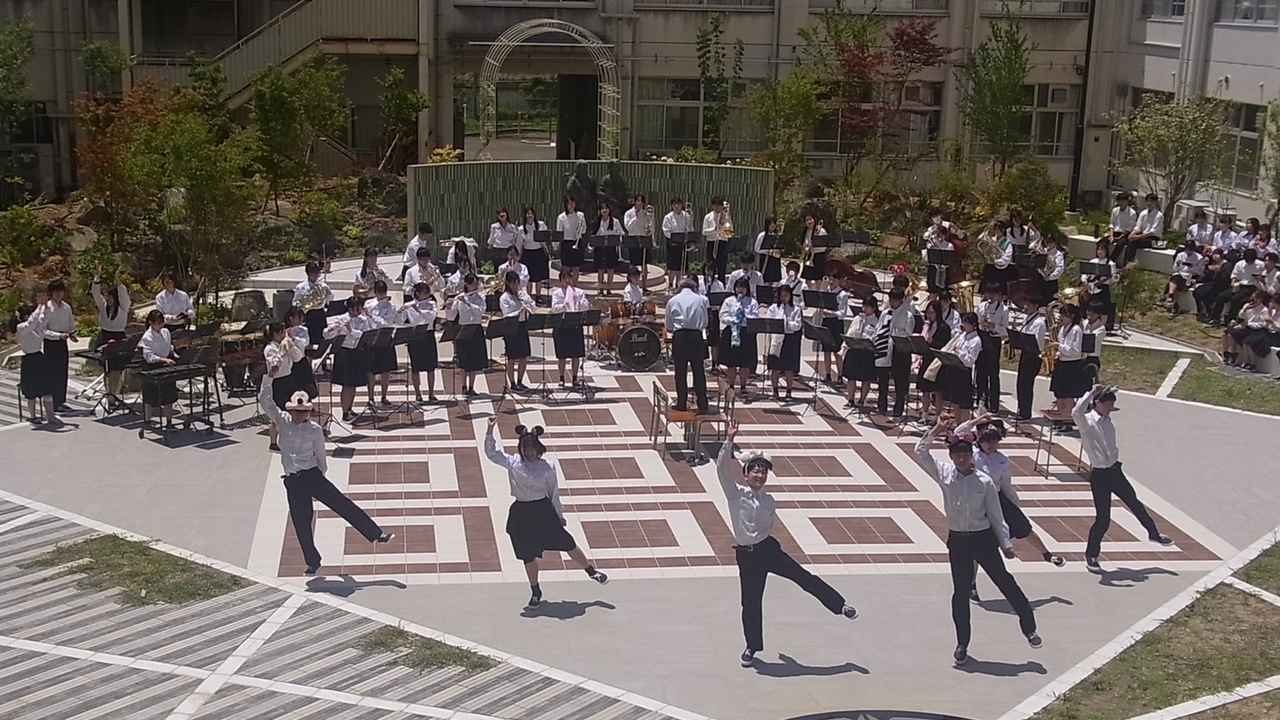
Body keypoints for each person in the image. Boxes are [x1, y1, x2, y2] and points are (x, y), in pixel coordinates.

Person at [719, 421, 858, 667]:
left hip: (767, 550)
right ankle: (752, 647)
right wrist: (729, 441)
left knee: (803, 577)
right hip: (747, 557)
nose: (760, 476)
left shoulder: (769, 500)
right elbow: (721, 470)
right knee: (750, 603)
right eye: (755, 471)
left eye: (763, 472)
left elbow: (767, 527)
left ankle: (840, 605)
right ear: (746, 474)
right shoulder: (735, 494)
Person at [915, 418, 1041, 665]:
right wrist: (937, 429)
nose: (961, 459)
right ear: (951, 456)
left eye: (965, 454)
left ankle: (1029, 627)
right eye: (957, 455)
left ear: (971, 456)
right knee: (960, 593)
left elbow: (996, 515)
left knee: (1005, 582)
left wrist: (1006, 544)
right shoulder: (945, 473)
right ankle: (962, 643)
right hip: (958, 541)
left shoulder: (984, 482)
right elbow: (921, 451)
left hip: (983, 539)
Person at [257, 379, 393, 576]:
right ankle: (313, 562)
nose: (300, 415)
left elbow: (321, 455)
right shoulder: (282, 420)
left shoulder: (314, 430)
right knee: (301, 522)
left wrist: (319, 477)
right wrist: (269, 378)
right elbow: (265, 400)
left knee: (342, 504)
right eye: (297, 411)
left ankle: (376, 533)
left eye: (303, 412)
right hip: (293, 480)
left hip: (312, 475)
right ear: (291, 410)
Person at [484, 419, 608, 607]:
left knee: (567, 543)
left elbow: (553, 492)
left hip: (543, 510)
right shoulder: (513, 462)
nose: (529, 452)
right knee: (527, 555)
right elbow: (492, 453)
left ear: (538, 448)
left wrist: (559, 515)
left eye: (532, 448)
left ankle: (591, 571)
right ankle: (535, 590)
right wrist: (489, 429)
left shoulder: (547, 466)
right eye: (525, 448)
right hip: (521, 513)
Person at [954, 415, 1066, 602]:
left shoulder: (1002, 460)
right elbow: (958, 432)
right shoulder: (971, 454)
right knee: (978, 545)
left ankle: (1047, 554)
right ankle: (971, 585)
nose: (991, 445)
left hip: (998, 498)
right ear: (980, 440)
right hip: (976, 501)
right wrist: (978, 420)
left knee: (1023, 526)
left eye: (994, 441)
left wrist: (1015, 504)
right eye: (987, 441)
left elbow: (1006, 484)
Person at [1073, 385, 1173, 571]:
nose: (1110, 409)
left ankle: (1154, 534)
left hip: (1115, 471)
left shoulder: (1107, 420)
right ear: (1098, 403)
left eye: (1112, 405)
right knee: (1103, 519)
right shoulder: (1086, 421)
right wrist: (1092, 391)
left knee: (1135, 503)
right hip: (1100, 476)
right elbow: (1076, 411)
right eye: (1108, 405)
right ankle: (1091, 555)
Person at [323, 297, 378, 422]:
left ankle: (349, 408)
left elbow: (364, 334)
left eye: (359, 308)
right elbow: (326, 335)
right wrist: (333, 329)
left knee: (353, 384)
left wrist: (350, 330)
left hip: (357, 352)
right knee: (347, 384)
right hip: (344, 353)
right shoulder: (340, 318)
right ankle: (345, 412)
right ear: (349, 308)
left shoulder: (363, 320)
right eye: (355, 309)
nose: (358, 311)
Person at [666, 278, 711, 414]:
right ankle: (702, 403)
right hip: (696, 336)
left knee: (680, 372)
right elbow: (705, 322)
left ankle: (681, 402)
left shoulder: (672, 300)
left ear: (679, 287)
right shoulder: (701, 300)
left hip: (680, 337)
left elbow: (669, 326)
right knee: (699, 370)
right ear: (694, 288)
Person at [90, 274, 131, 407]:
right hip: (105, 337)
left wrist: (118, 282)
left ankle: (114, 395)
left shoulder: (123, 307)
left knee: (116, 370)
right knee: (106, 369)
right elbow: (96, 294)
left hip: (118, 338)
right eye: (107, 297)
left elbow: (124, 295)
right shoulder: (103, 306)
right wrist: (97, 279)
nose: (107, 299)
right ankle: (109, 396)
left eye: (110, 297)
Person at [263, 321, 304, 451]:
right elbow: (274, 367)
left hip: (289, 379)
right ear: (276, 333)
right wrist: (281, 352)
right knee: (279, 414)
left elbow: (298, 358)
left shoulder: (285, 344)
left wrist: (291, 346)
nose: (284, 334)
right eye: (282, 332)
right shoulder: (270, 348)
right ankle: (275, 442)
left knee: (291, 410)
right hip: (277, 382)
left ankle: (288, 440)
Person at [14, 302, 57, 425]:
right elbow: (31, 323)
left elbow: (45, 330)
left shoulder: (36, 326)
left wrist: (61, 335)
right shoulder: (21, 327)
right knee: (31, 391)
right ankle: (33, 416)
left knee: (47, 389)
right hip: (29, 360)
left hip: (39, 358)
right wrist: (40, 307)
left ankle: (50, 416)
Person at [719, 276, 759, 402]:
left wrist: (743, 317)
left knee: (744, 363)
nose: (740, 290)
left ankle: (743, 386)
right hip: (731, 331)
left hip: (746, 334)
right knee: (731, 362)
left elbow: (755, 317)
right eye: (738, 287)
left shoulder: (752, 302)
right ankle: (731, 385)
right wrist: (733, 320)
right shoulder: (729, 300)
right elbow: (722, 315)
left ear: (747, 289)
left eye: (743, 287)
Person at [397, 282, 439, 403]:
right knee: (415, 367)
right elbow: (400, 321)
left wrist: (418, 309)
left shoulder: (431, 304)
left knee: (431, 367)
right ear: (418, 293)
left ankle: (431, 394)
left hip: (428, 335)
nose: (427, 295)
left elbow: (431, 317)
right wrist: (401, 312)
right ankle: (418, 394)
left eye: (428, 292)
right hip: (414, 336)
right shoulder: (409, 305)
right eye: (425, 293)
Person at [448, 273, 488, 397]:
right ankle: (463, 386)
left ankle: (471, 387)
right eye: (473, 284)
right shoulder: (459, 297)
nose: (475, 286)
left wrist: (468, 303)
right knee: (463, 360)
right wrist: (450, 306)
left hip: (476, 329)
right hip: (463, 329)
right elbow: (451, 316)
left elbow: (481, 312)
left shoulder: (480, 297)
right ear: (467, 284)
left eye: (476, 284)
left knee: (474, 361)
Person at [138, 309, 178, 429]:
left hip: (166, 363)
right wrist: (163, 359)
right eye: (158, 323)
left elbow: (169, 347)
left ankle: (169, 421)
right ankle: (147, 421)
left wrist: (175, 354)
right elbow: (149, 357)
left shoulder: (166, 332)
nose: (161, 325)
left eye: (162, 322)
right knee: (150, 395)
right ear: (151, 322)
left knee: (169, 394)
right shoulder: (147, 337)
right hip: (152, 366)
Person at [939, 312, 983, 421]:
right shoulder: (962, 335)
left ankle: (964, 425)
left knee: (964, 403)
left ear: (973, 325)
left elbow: (970, 361)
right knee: (955, 401)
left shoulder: (976, 340)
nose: (964, 325)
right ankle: (957, 423)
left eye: (966, 323)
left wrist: (959, 352)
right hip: (955, 369)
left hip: (965, 372)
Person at [551, 269, 590, 388]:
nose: (567, 280)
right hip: (562, 325)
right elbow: (554, 308)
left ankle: (575, 378)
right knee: (562, 355)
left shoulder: (579, 292)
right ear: (560, 280)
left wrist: (579, 302)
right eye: (564, 278)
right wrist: (564, 305)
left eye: (569, 278)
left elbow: (586, 306)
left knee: (576, 354)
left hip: (575, 325)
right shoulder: (557, 293)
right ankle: (561, 378)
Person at [41, 279, 75, 411]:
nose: (59, 294)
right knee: (52, 373)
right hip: (51, 343)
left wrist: (72, 334)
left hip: (63, 342)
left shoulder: (66, 307)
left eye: (61, 291)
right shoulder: (46, 308)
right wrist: (58, 335)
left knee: (62, 372)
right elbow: (43, 330)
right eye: (56, 291)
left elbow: (71, 324)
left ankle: (61, 400)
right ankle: (53, 403)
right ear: (51, 292)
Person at [842, 296, 882, 410]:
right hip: (854, 350)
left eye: (867, 307)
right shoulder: (857, 319)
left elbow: (875, 337)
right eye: (864, 306)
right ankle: (850, 399)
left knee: (866, 379)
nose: (864, 309)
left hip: (867, 352)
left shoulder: (877, 321)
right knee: (851, 377)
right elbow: (850, 332)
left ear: (874, 308)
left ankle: (862, 400)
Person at [1049, 303, 1088, 421]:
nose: (1061, 318)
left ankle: (1067, 415)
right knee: (1059, 391)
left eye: (1064, 315)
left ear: (1072, 316)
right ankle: (1060, 412)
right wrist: (1056, 353)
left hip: (1071, 364)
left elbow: (1075, 351)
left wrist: (1058, 346)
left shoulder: (1076, 329)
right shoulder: (1063, 328)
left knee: (1068, 392)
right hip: (1062, 361)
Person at [499, 270, 536, 391]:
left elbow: (533, 306)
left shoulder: (522, 294)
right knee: (511, 357)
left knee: (524, 356)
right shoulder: (504, 297)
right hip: (511, 327)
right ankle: (512, 383)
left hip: (522, 326)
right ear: (508, 283)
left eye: (517, 283)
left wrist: (528, 305)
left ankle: (520, 381)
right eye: (513, 283)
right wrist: (519, 311)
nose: (516, 286)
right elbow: (507, 313)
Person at [974, 284, 1008, 414]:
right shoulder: (982, 306)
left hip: (994, 340)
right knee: (980, 371)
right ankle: (981, 399)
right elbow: (976, 322)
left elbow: (1005, 330)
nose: (991, 297)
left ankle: (994, 403)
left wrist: (994, 326)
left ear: (999, 295)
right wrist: (981, 324)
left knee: (993, 373)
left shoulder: (1004, 309)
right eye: (989, 293)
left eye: (994, 294)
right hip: (982, 337)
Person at [766, 284, 803, 401]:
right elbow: (770, 322)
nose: (783, 298)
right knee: (775, 367)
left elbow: (797, 325)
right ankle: (775, 391)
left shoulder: (796, 309)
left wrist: (787, 323)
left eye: (786, 296)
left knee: (788, 367)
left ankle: (789, 391)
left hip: (789, 339)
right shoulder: (773, 308)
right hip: (777, 339)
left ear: (790, 296)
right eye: (781, 296)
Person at [364, 281, 398, 406]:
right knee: (370, 370)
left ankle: (384, 396)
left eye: (383, 292)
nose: (381, 295)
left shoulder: (391, 306)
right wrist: (369, 313)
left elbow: (387, 323)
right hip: (372, 338)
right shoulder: (369, 304)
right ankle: (371, 397)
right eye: (379, 292)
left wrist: (372, 316)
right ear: (375, 292)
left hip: (385, 338)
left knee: (386, 370)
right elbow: (366, 320)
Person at [1013, 298, 1047, 421]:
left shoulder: (1039, 322)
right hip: (1026, 354)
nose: (1025, 307)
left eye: (1028, 305)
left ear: (1036, 305)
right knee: (1020, 383)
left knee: (1026, 384)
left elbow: (1036, 342)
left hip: (1033, 356)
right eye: (1025, 304)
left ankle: (1025, 413)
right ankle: (1021, 409)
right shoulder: (1027, 318)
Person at [885, 287, 917, 418]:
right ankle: (883, 404)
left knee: (900, 380)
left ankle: (899, 406)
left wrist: (896, 332)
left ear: (901, 300)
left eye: (894, 300)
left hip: (902, 351)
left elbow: (908, 334)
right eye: (891, 300)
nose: (892, 303)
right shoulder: (887, 312)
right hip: (888, 348)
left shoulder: (908, 316)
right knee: (885, 377)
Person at [917, 300, 951, 421]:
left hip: (937, 361)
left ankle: (937, 416)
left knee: (938, 390)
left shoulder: (944, 327)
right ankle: (924, 414)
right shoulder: (927, 325)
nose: (929, 315)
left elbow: (946, 345)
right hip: (926, 358)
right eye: (928, 313)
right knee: (925, 389)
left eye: (932, 313)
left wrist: (933, 342)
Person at [811, 274, 846, 385]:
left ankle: (840, 376)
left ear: (838, 281)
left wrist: (831, 313)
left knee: (836, 351)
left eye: (834, 280)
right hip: (826, 322)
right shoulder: (826, 291)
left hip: (836, 324)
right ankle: (828, 375)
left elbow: (843, 313)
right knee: (826, 350)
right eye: (830, 279)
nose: (831, 282)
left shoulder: (843, 294)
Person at [1225, 289, 1270, 370]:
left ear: (1260, 299)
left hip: (1258, 330)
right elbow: (1241, 317)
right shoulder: (1248, 306)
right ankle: (1232, 354)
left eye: (1255, 299)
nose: (1252, 300)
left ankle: (1250, 363)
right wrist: (1245, 309)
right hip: (1249, 328)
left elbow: (1263, 324)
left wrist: (1249, 324)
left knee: (1247, 342)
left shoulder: (1264, 310)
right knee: (1232, 333)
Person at [1120, 192, 1164, 267]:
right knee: (1126, 240)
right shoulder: (1143, 213)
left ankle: (1128, 264)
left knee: (1133, 242)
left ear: (1156, 202)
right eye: (1148, 201)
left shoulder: (1159, 215)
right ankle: (1126, 263)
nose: (1149, 203)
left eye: (1152, 201)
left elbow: (1152, 232)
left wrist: (1137, 237)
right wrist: (1132, 234)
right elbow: (1138, 227)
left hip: (1153, 239)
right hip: (1143, 236)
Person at [1082, 241, 1118, 332]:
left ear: (1106, 251)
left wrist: (1105, 281)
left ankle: (1101, 328)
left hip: (1103, 289)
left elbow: (1113, 279)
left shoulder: (1110, 263)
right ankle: (1089, 327)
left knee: (1103, 310)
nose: (1100, 252)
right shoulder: (1093, 261)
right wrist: (1085, 281)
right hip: (1091, 288)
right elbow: (1085, 274)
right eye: (1098, 249)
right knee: (1089, 308)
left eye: (1102, 250)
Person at [294, 260, 334, 339]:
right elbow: (295, 302)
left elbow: (330, 297)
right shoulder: (301, 287)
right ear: (308, 273)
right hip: (308, 314)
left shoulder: (323, 286)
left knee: (322, 337)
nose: (317, 275)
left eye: (318, 273)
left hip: (320, 313)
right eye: (314, 273)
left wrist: (325, 300)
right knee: (310, 337)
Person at [519, 207, 550, 301]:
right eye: (528, 214)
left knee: (538, 277)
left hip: (538, 252)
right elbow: (520, 244)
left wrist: (547, 252)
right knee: (529, 277)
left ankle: (538, 296)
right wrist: (519, 256)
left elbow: (546, 238)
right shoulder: (521, 228)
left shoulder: (541, 225)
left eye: (531, 213)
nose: (530, 215)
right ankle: (529, 296)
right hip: (527, 253)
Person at [662, 197, 694, 289]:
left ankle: (678, 285)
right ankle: (670, 284)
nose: (676, 206)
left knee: (681, 266)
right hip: (672, 243)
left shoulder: (686, 216)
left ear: (681, 205)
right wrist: (674, 238)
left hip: (683, 243)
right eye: (674, 204)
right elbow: (666, 230)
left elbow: (690, 228)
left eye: (678, 204)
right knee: (672, 267)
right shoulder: (668, 217)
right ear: (672, 206)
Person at [1165, 240, 1205, 313]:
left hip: (1191, 277)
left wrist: (1190, 267)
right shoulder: (1180, 255)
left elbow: (1200, 272)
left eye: (1190, 249)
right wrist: (1178, 265)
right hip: (1180, 274)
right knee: (1176, 278)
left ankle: (1172, 299)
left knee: (1176, 281)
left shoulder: (1199, 258)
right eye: (1187, 249)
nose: (1188, 251)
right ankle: (1172, 298)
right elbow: (1175, 269)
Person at [594, 204, 624, 295]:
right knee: (600, 270)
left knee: (610, 269)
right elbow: (593, 234)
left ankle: (609, 289)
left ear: (609, 210)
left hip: (611, 248)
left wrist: (618, 239)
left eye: (606, 208)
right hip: (600, 248)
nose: (604, 210)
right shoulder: (597, 221)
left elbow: (621, 233)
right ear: (600, 211)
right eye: (602, 209)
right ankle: (600, 289)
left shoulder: (615, 221)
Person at [702, 197, 731, 282]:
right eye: (715, 205)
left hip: (722, 243)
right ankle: (709, 284)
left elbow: (729, 233)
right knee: (710, 266)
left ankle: (721, 284)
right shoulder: (708, 217)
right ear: (712, 206)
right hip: (711, 243)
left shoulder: (726, 217)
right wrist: (714, 229)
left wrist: (724, 225)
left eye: (719, 205)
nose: (717, 207)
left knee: (722, 266)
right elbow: (704, 232)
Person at [557, 195, 587, 272]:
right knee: (566, 268)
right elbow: (559, 232)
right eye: (569, 203)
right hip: (566, 244)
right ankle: (565, 280)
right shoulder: (561, 217)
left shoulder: (580, 215)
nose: (571, 205)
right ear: (566, 205)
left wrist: (581, 227)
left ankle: (574, 280)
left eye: (572, 203)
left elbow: (584, 231)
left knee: (576, 268)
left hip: (577, 242)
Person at [623, 193, 653, 269]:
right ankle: (633, 276)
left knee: (644, 262)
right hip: (633, 239)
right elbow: (628, 227)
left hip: (643, 239)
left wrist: (649, 219)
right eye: (638, 201)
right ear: (635, 202)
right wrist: (635, 217)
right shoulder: (628, 213)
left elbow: (649, 227)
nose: (640, 203)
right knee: (633, 262)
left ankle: (644, 277)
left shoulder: (645, 213)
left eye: (641, 201)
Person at [1037, 234, 1066, 303]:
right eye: (1047, 242)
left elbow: (1059, 269)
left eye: (1050, 242)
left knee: (1050, 302)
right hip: (1040, 280)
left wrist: (1050, 277)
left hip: (1051, 282)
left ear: (1054, 243)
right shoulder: (1042, 251)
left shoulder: (1058, 255)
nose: (1048, 244)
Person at [801, 214, 830, 278]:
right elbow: (804, 243)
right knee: (807, 278)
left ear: (814, 220)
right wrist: (806, 249)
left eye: (810, 219)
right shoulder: (806, 231)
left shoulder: (821, 230)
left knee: (818, 278)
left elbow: (825, 245)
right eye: (807, 220)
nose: (809, 222)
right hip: (809, 256)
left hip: (819, 256)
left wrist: (814, 246)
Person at [754, 216, 782, 283]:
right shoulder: (762, 235)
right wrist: (768, 251)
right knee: (765, 278)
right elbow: (756, 249)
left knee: (775, 279)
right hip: (765, 259)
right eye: (771, 224)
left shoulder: (777, 235)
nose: (773, 226)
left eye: (774, 224)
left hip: (775, 259)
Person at [1084, 303, 1107, 383]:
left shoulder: (1101, 329)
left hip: (1091, 359)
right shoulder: (1083, 323)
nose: (1090, 314)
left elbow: (1089, 341)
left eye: (1093, 312)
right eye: (1088, 311)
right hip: (1080, 357)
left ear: (1099, 314)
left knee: (1088, 384)